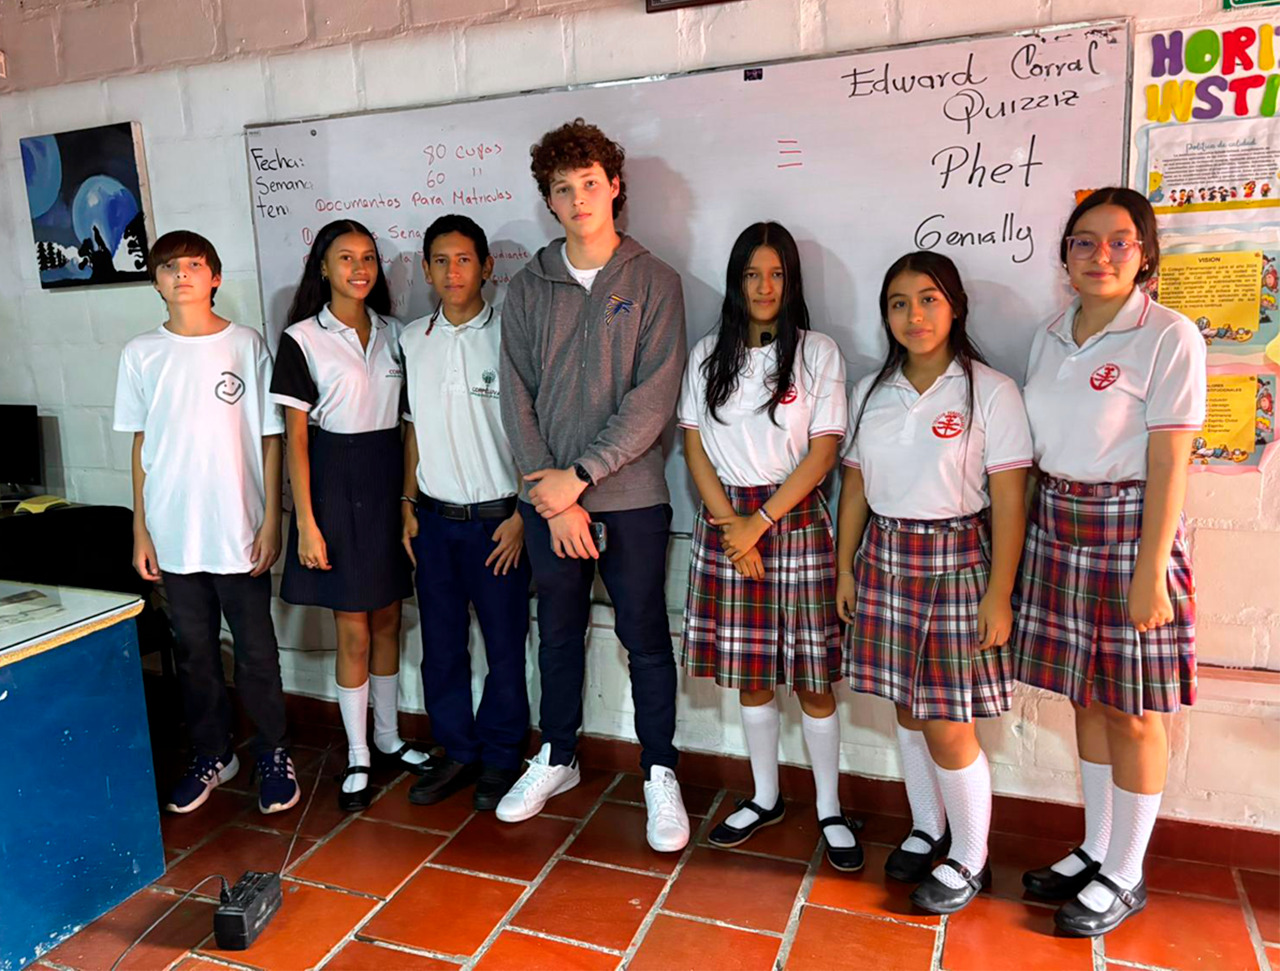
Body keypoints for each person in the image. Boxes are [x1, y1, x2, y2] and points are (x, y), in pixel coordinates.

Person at [1014, 188, 1205, 937]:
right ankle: (1095, 846)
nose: (1100, 256)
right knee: (1086, 697)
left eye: (1120, 242)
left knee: (1133, 709)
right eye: (1084, 242)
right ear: (1065, 256)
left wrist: (1151, 567)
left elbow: (1171, 461)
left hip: (1132, 531)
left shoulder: (1167, 335)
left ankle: (1126, 871)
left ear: (1146, 254)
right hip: (1058, 524)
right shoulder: (1048, 334)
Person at [497, 118, 690, 851]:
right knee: (558, 633)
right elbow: (515, 394)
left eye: (589, 184)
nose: (578, 199)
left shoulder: (654, 282)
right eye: (561, 189)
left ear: (614, 186)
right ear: (549, 200)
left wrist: (580, 478)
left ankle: (661, 770)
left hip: (631, 496)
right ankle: (557, 755)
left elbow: (652, 398)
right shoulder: (528, 288)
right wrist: (553, 494)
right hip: (548, 499)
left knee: (644, 635)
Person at [836, 251, 1031, 913]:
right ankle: (927, 824)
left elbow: (1009, 500)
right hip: (886, 559)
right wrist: (844, 567)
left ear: (954, 306)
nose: (913, 315)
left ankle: (970, 857)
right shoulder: (870, 392)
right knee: (907, 707)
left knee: (950, 719)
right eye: (898, 302)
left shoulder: (991, 390)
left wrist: (999, 592)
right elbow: (855, 488)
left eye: (928, 299)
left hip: (958, 562)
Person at [678, 222, 860, 870]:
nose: (764, 286)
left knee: (813, 679)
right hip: (729, 526)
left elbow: (824, 450)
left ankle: (830, 807)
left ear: (792, 282)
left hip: (794, 521)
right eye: (752, 274)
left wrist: (761, 520)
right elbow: (694, 445)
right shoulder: (706, 354)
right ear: (736, 282)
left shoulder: (818, 352)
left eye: (776, 274)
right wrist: (733, 524)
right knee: (753, 675)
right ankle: (764, 795)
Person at [113, 230, 298, 815]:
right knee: (194, 653)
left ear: (215, 277)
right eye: (169, 267)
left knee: (256, 652)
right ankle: (214, 752)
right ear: (155, 281)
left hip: (238, 529)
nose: (182, 275)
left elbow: (271, 439)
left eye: (194, 265)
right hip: (174, 532)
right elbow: (142, 445)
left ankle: (272, 752)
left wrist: (272, 520)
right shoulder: (141, 352)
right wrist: (142, 529)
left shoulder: (245, 345)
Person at [270, 219, 423, 812]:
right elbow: (297, 442)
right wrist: (307, 523)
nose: (359, 269)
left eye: (368, 258)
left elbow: (408, 426)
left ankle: (388, 737)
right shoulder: (303, 339)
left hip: (386, 482)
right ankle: (358, 751)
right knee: (353, 626)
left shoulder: (395, 334)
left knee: (388, 618)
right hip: (334, 486)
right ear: (323, 268)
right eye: (345, 258)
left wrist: (408, 499)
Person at [400, 215, 531, 811]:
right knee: (443, 645)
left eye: (464, 259)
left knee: (505, 646)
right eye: (441, 260)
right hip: (434, 523)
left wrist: (524, 514)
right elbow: (412, 433)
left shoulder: (512, 335)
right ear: (426, 269)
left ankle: (503, 755)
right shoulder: (411, 341)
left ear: (487, 267)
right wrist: (407, 504)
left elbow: (539, 431)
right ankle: (457, 749)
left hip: (499, 522)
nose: (453, 272)